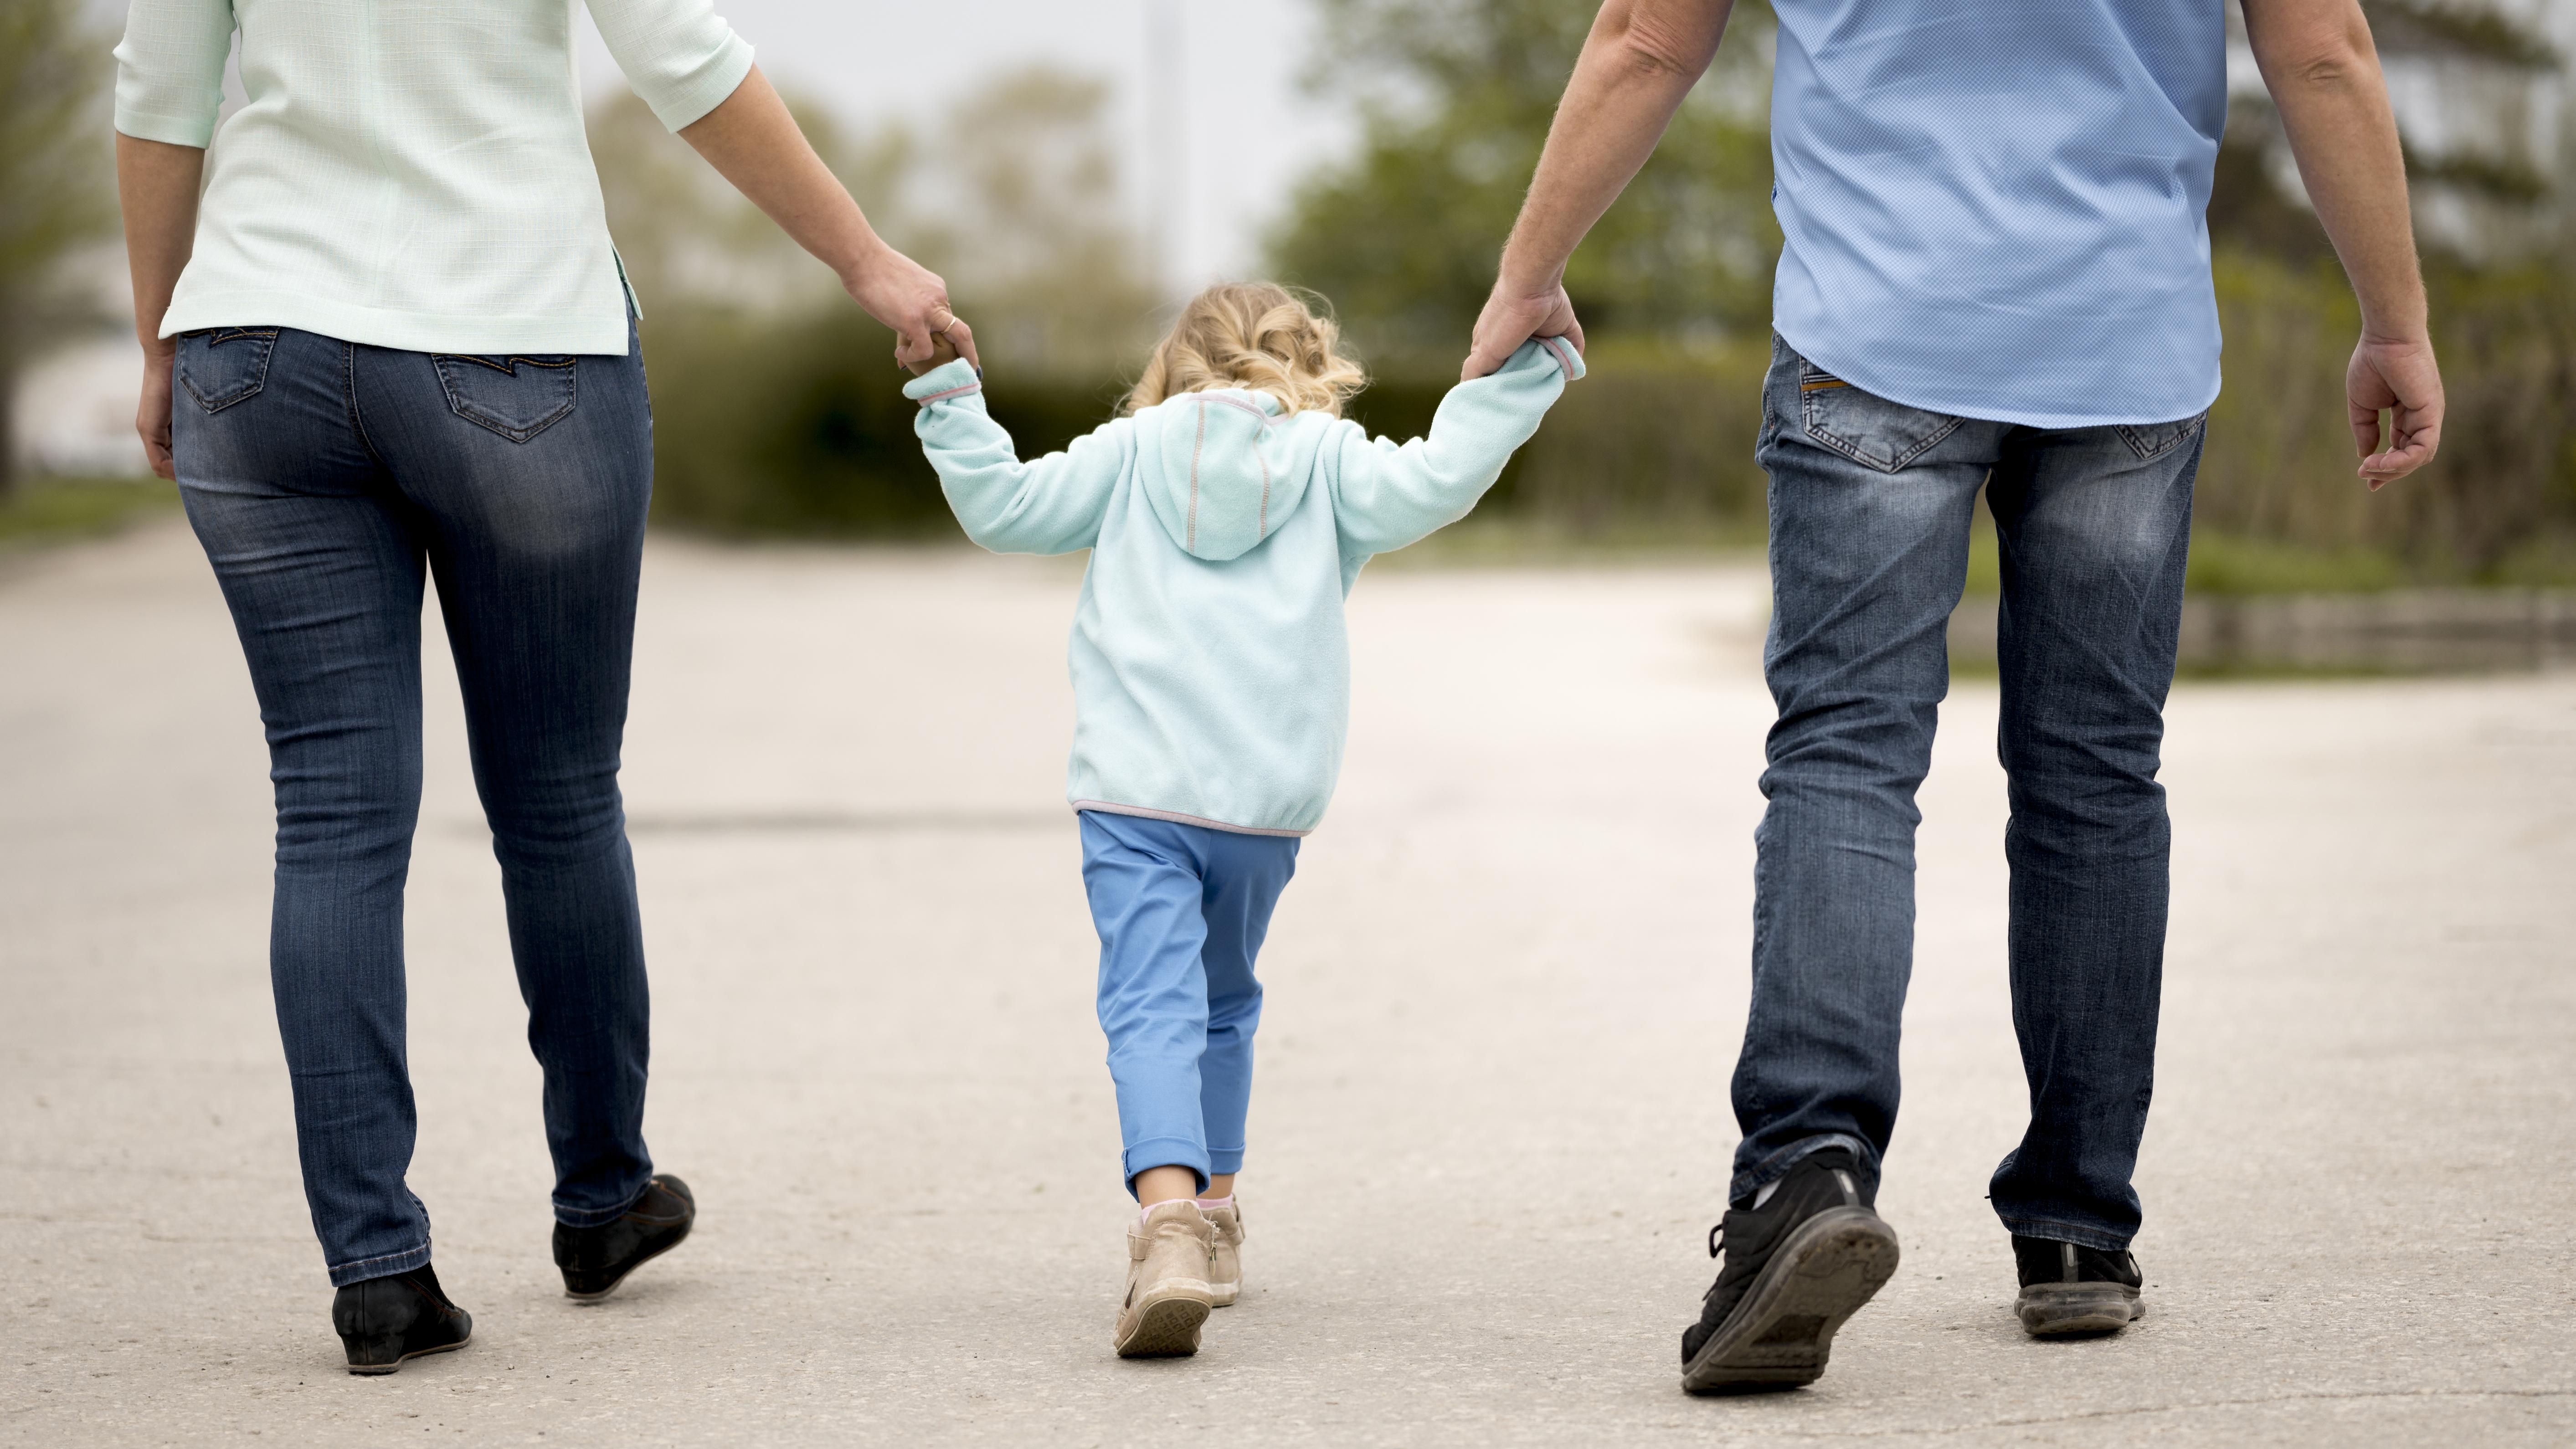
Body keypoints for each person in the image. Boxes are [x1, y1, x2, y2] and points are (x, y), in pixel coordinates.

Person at [1460, 0, 2446, 1392]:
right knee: (2094, 779)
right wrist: (2391, 320)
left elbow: (1642, 37)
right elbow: (2321, 50)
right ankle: (2075, 1233)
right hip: (2124, 348)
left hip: (1872, 331)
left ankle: (1804, 1171)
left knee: (1844, 760)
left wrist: (1528, 271)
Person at [113, 0, 974, 1374]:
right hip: (515, 336)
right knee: (558, 795)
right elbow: (685, 58)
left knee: (332, 814)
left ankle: (376, 1269)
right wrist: (867, 264)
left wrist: (163, 339)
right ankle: (602, 1195)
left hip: (255, 351)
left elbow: (160, 103)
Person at [902, 283, 1579, 1357]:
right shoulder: (1328, 464)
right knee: (1222, 1001)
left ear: (1171, 365)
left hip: (1134, 792)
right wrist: (1529, 372)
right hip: (1261, 807)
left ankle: (1168, 1225)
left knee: (1149, 1004)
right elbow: (1441, 477)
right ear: (1309, 364)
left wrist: (947, 393)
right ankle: (1213, 1214)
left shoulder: (1125, 456)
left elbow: (1005, 509)